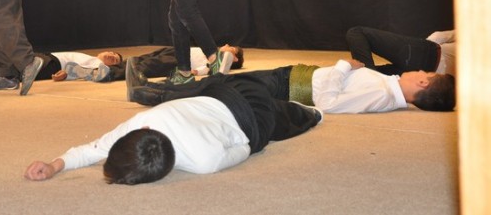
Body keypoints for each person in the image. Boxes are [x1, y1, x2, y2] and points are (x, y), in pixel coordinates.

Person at [24, 74, 321, 184]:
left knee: (297, 118)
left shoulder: (204, 162)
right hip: (222, 88)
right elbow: (92, 151)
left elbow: (245, 146)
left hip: (249, 113)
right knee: (277, 83)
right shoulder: (141, 124)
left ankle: (314, 112)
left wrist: (54, 165)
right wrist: (53, 166)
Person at [127, 58, 456, 114]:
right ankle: (156, 89)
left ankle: (151, 93)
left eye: (423, 71)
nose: (417, 70)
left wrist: (344, 67)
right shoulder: (386, 89)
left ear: (423, 82)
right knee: (221, 84)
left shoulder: (380, 94)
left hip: (288, 86)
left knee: (221, 86)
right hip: (292, 78)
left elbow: (328, 103)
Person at [346, 26, 456, 76]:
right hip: (428, 79)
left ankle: (366, 78)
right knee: (368, 74)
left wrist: (424, 46)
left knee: (356, 33)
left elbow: (439, 36)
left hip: (429, 54)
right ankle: (367, 78)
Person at [127, 44, 244, 79]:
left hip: (178, 61)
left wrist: (195, 72)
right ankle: (119, 64)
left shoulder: (217, 63)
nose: (227, 45)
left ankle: (117, 72)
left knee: (148, 65)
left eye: (231, 48)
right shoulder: (213, 51)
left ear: (234, 58)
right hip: (177, 50)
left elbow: (207, 68)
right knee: (143, 58)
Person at [36, 51, 123, 82]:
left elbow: (85, 72)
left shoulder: (98, 64)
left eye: (114, 60)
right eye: (112, 53)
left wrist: (66, 74)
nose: (111, 56)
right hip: (48, 56)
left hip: (53, 63)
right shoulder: (91, 58)